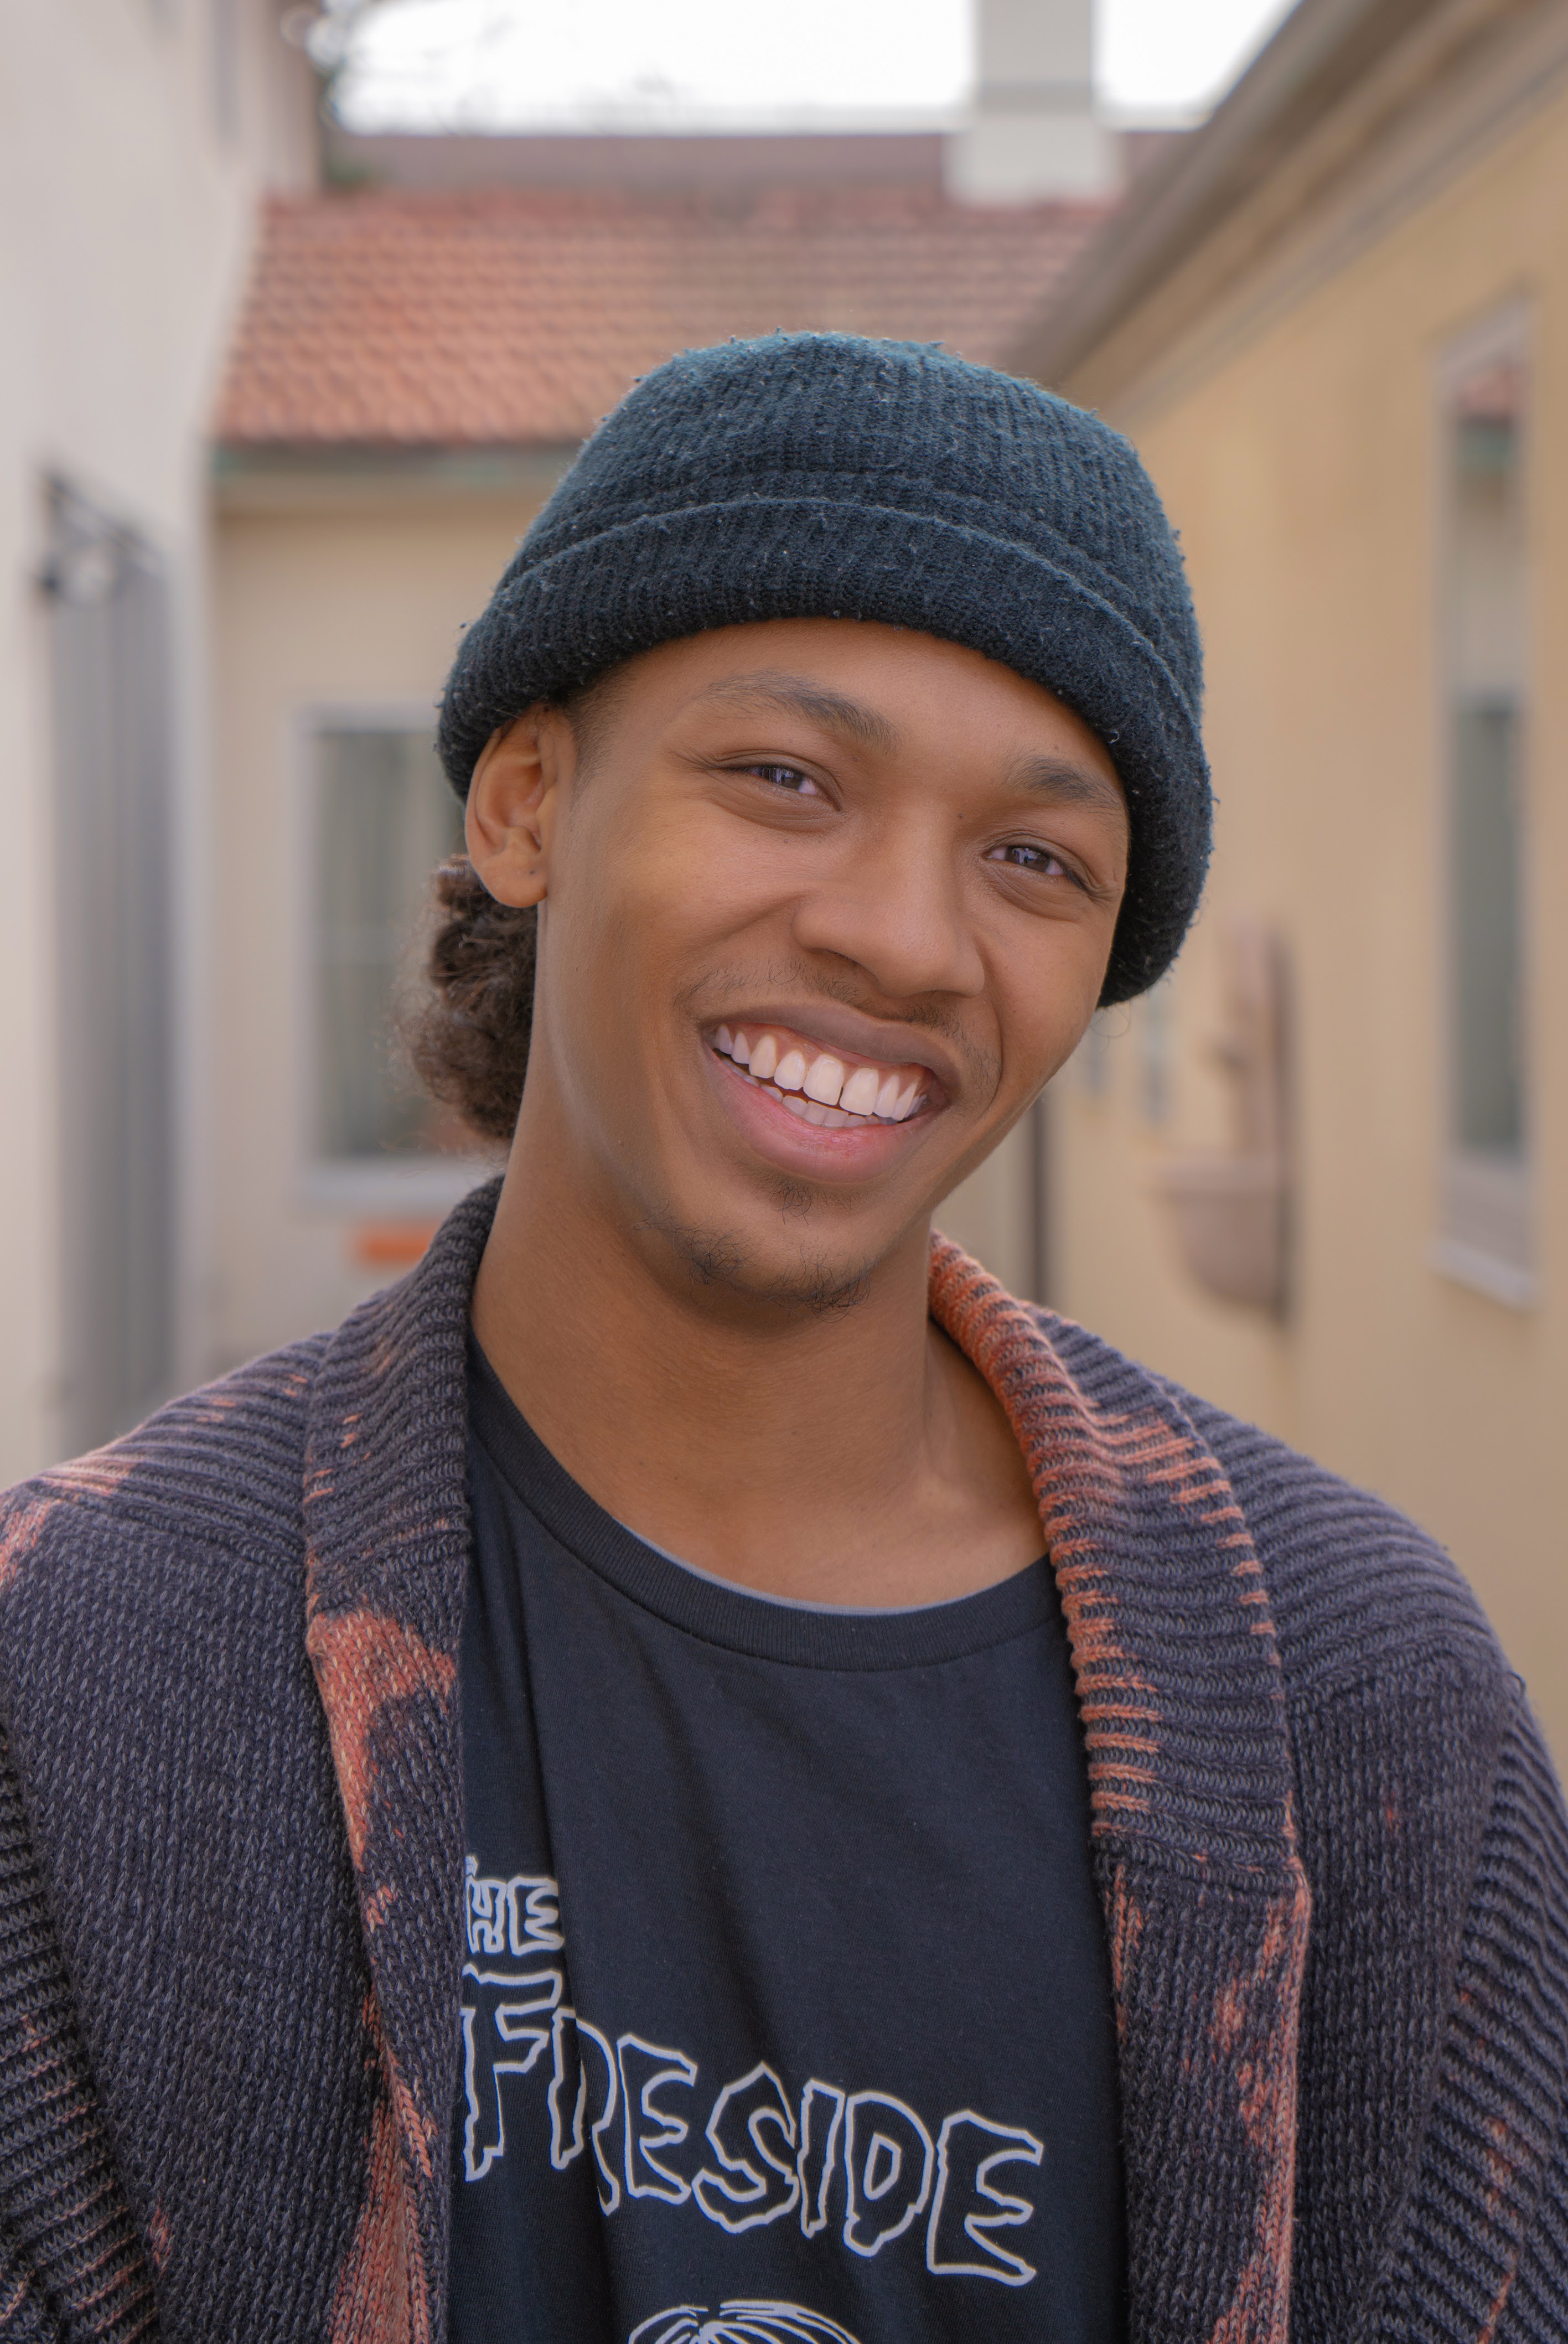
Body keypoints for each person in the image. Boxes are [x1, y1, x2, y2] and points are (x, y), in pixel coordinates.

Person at [1, 335, 1564, 2344]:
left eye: (1034, 859)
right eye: (787, 778)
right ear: (526, 799)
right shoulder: (88, 1673)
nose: (905, 937)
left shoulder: (1363, 1717)